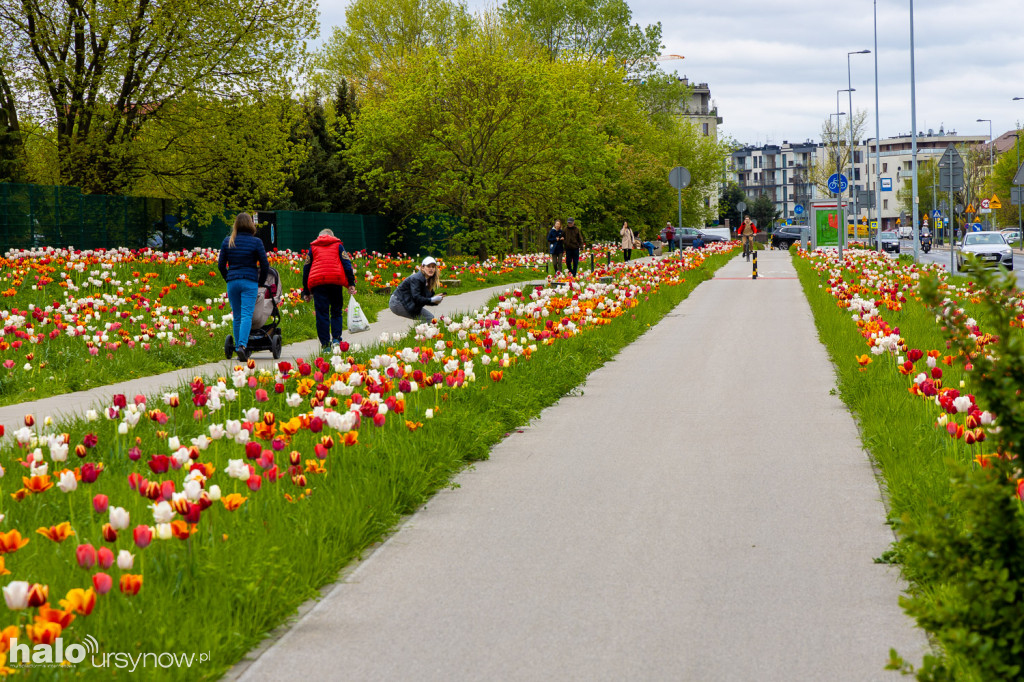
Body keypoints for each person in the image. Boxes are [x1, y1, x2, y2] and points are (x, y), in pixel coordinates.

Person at [218, 212, 270, 362]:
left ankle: (238, 346)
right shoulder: (256, 242)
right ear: (250, 225)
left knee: (238, 315)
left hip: (233, 281)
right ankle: (242, 346)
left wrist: (228, 278)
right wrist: (260, 281)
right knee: (247, 314)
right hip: (249, 281)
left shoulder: (228, 241)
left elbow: (221, 265)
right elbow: (265, 264)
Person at [300, 228, 358, 353]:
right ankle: (336, 339)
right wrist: (351, 283)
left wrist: (306, 291)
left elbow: (306, 269)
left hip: (318, 283)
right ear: (332, 236)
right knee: (336, 311)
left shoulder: (313, 248)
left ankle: (326, 345)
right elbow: (347, 264)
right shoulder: (338, 246)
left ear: (319, 237)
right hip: (335, 281)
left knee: (322, 314)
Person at [390, 256, 445, 323]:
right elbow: (417, 298)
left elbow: (423, 300)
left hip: (407, 302)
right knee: (428, 318)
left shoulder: (427, 281)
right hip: (397, 302)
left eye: (433, 267)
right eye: (428, 266)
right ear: (422, 267)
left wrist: (435, 301)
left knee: (429, 318)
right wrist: (432, 300)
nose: (431, 269)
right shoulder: (416, 278)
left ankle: (421, 332)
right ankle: (420, 332)